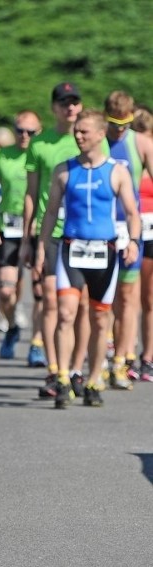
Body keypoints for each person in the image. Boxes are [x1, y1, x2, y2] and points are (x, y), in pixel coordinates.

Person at [35, 109, 140, 408]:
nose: (78, 135)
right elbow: (51, 212)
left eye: (84, 131)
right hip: (72, 249)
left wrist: (132, 241)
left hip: (104, 251)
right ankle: (64, 377)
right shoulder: (64, 170)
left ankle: (94, 379)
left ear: (98, 134)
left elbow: (132, 212)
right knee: (66, 313)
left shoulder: (116, 171)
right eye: (76, 131)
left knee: (99, 317)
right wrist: (43, 247)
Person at [21, 82, 90, 398]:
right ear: (54, 107)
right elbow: (31, 195)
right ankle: (54, 371)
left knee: (81, 306)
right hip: (51, 234)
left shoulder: (87, 141)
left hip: (83, 234)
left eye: (74, 102)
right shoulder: (41, 144)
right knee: (51, 303)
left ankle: (76, 368)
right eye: (64, 103)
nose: (70, 108)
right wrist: (29, 239)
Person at [103, 91, 153, 388]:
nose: (119, 130)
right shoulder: (94, 138)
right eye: (113, 123)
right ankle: (102, 354)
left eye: (125, 124)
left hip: (131, 230)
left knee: (129, 297)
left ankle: (123, 359)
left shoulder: (142, 143)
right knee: (100, 301)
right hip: (99, 230)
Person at [0, 111, 43, 361]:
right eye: (20, 130)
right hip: (8, 228)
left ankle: (37, 343)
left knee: (41, 290)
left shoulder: (42, 154)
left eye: (31, 132)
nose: (25, 136)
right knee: (6, 290)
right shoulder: (2, 155)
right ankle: (12, 326)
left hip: (38, 228)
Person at [134, 107, 153, 381]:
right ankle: (118, 351)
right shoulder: (122, 158)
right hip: (126, 230)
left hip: (150, 232)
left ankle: (148, 355)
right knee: (124, 297)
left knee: (149, 297)